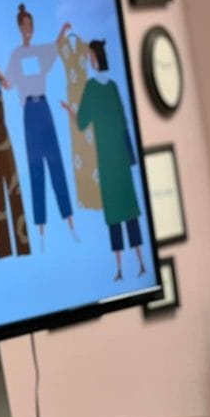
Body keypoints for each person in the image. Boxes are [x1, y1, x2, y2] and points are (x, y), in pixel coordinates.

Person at [0, 3, 78, 251]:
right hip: (30, 113)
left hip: (44, 108)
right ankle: (41, 230)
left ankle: (70, 222)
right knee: (36, 168)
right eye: (24, 25)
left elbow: (56, 48)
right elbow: (8, 84)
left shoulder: (40, 51)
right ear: (19, 28)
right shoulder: (17, 55)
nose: (28, 29)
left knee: (56, 163)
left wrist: (63, 29)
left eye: (30, 25)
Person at [62, 40, 145, 281]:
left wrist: (70, 111)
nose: (90, 60)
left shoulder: (93, 88)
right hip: (118, 157)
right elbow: (123, 122)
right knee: (126, 211)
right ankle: (135, 264)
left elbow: (82, 122)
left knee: (117, 214)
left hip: (109, 158)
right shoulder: (112, 87)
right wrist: (130, 157)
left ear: (97, 58)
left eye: (91, 56)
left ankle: (126, 267)